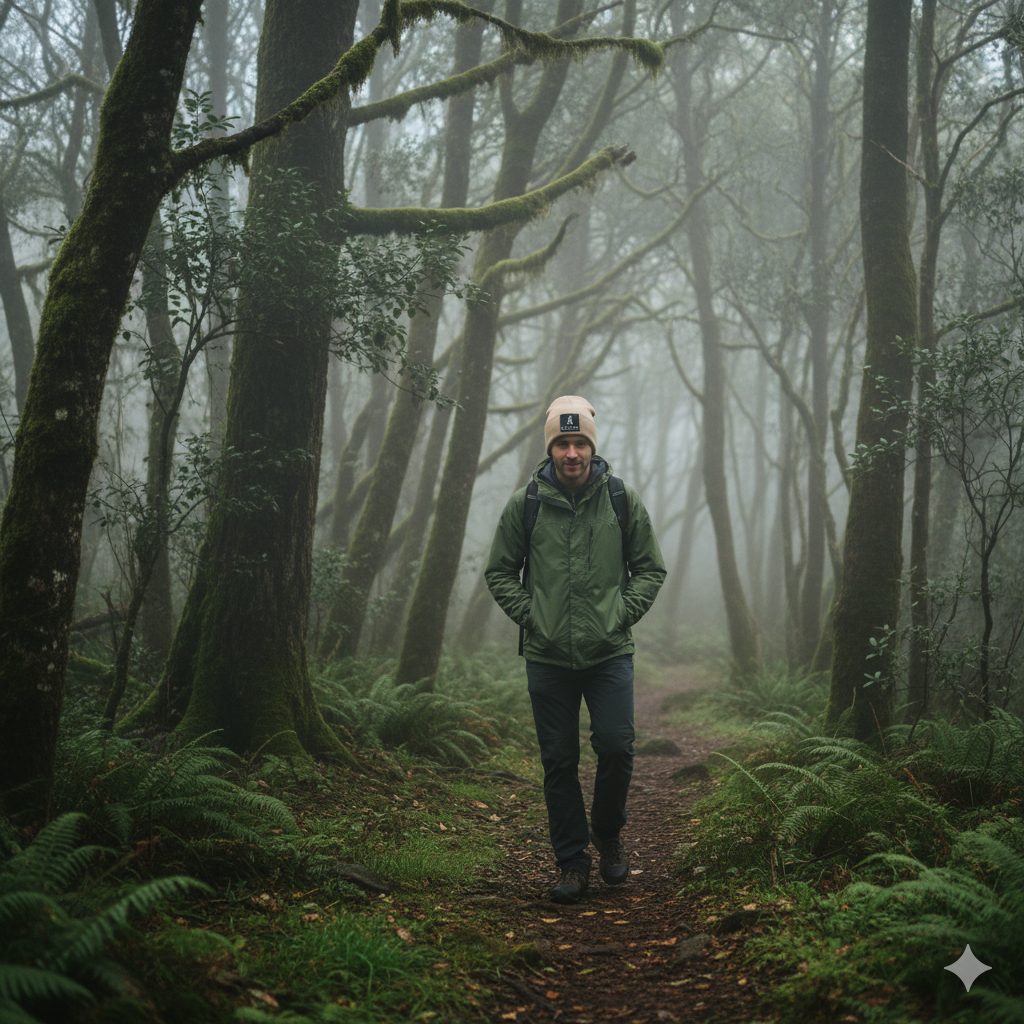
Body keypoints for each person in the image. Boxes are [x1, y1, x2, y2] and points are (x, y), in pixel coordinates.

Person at [484, 395, 666, 904]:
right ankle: (571, 862)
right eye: (562, 443)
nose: (571, 452)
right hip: (547, 658)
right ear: (551, 448)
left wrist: (620, 614)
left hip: (609, 653)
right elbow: (500, 571)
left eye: (579, 442)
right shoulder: (527, 503)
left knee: (616, 746)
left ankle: (608, 833)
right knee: (559, 762)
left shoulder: (621, 499)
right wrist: (532, 617)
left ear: (591, 446)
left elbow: (650, 568)